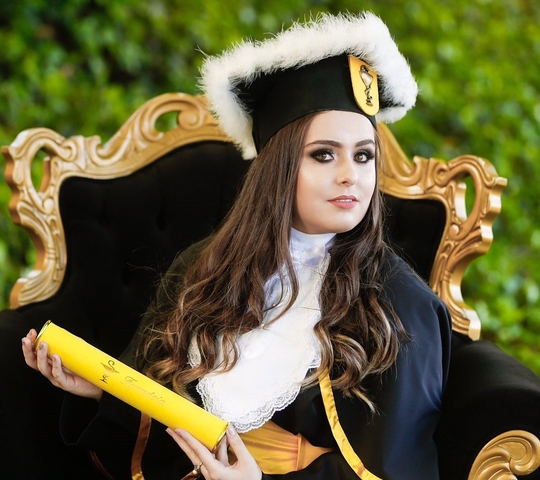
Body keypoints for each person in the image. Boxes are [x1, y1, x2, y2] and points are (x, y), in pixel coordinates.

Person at [22, 11, 451, 480]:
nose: (351, 175)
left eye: (364, 155)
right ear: (278, 168)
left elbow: (400, 467)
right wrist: (104, 389)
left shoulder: (400, 304)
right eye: (324, 154)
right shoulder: (205, 266)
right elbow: (164, 404)